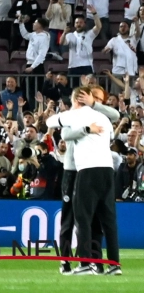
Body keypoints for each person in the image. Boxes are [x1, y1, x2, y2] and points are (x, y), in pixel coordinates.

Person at [48, 87, 122, 275]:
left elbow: (52, 124)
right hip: (103, 169)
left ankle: (86, 263)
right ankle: (113, 264)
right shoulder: (102, 118)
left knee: (83, 218)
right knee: (106, 220)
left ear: (76, 100)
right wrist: (87, 129)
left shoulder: (76, 115)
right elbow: (110, 133)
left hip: (86, 170)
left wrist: (85, 124)